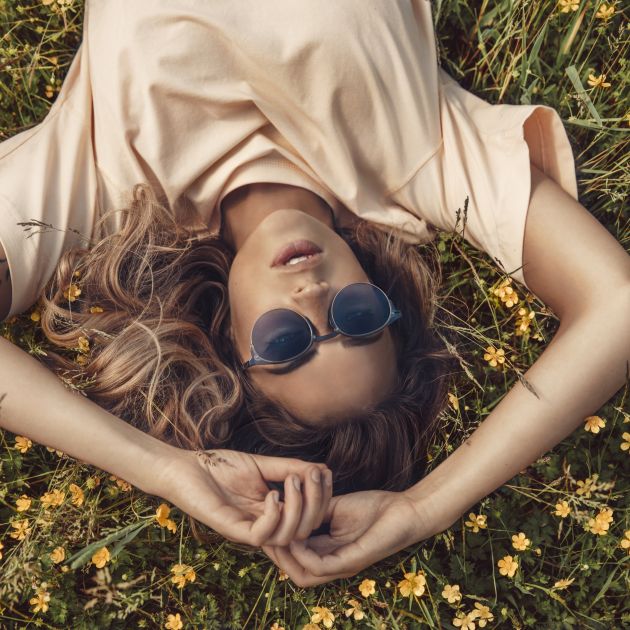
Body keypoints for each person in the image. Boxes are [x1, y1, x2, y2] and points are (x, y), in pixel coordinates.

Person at [0, 0, 628, 587]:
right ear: (383, 297)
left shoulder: (104, 188)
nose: (311, 294)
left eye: (285, 340)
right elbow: (617, 307)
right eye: (355, 317)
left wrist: (165, 469)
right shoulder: (420, 164)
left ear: (224, 337)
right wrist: (425, 507)